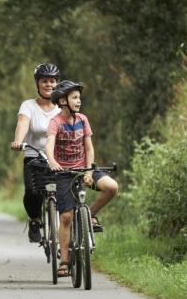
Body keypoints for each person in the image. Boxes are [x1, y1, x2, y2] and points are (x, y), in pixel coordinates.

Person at [45, 80, 119, 277]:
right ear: (62, 101)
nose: (79, 101)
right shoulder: (56, 122)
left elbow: (89, 148)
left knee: (111, 187)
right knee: (66, 216)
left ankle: (90, 214)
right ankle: (64, 260)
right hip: (64, 173)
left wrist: (88, 172)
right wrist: (52, 161)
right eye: (74, 97)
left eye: (79, 97)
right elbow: (49, 146)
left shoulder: (83, 119)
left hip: (85, 168)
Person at [10, 62, 61, 243]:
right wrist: (18, 141)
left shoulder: (62, 107)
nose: (49, 85)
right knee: (33, 192)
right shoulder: (28, 105)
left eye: (53, 81)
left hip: (58, 158)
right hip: (34, 156)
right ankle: (34, 219)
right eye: (44, 81)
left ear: (58, 83)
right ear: (38, 84)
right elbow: (23, 124)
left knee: (67, 190)